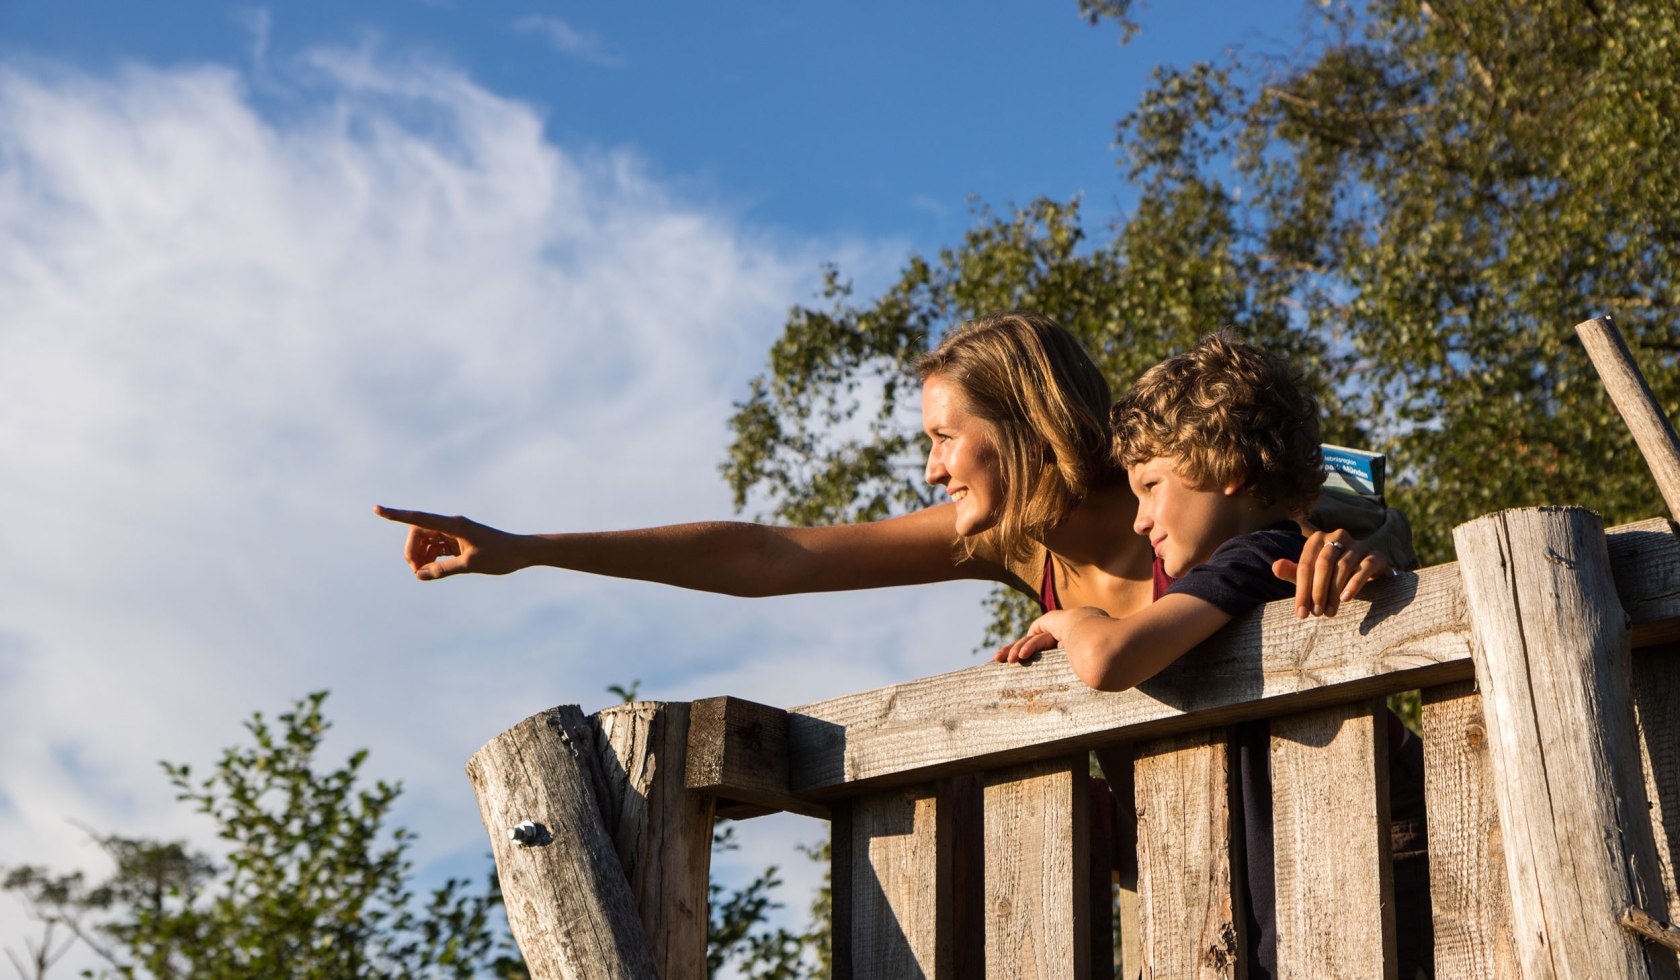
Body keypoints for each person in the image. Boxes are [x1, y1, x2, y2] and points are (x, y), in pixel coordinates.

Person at [377, 311, 1406, 626]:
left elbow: (1340, 499)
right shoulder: (998, 545)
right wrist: (530, 550)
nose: (929, 470)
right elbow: (773, 554)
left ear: (1026, 420)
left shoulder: (1171, 480)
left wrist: (1355, 553)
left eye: (944, 436)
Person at [993, 331, 1328, 688]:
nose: (1140, 522)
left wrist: (1074, 622)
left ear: (1230, 466)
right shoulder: (1264, 558)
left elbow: (1104, 659)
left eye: (1151, 487)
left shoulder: (1257, 558)